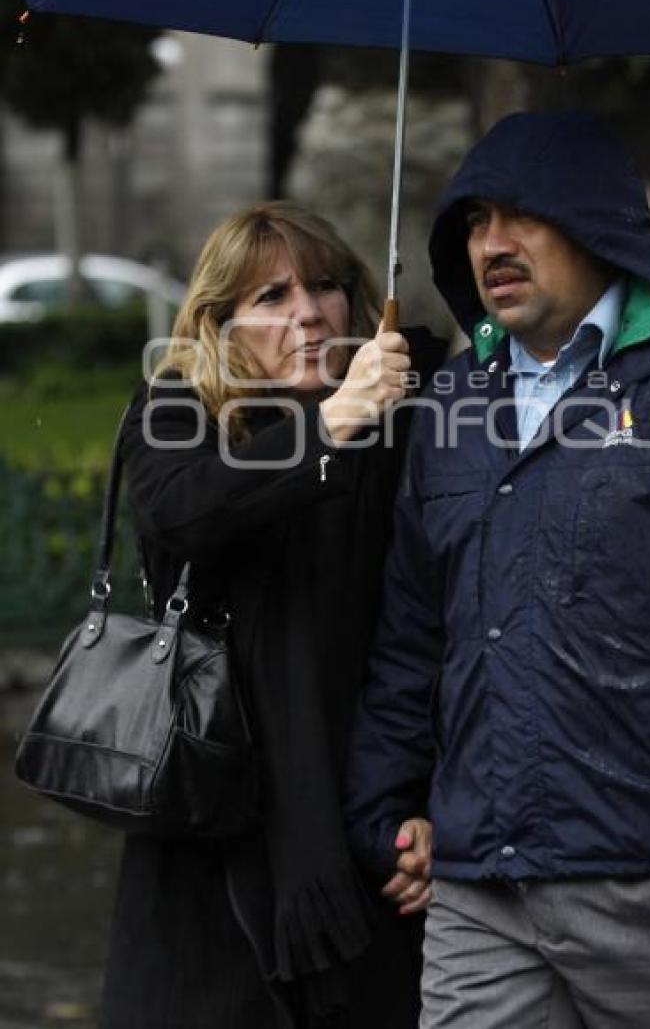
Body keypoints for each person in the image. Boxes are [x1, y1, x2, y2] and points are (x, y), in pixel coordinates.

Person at [345, 111, 650, 1029]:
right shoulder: (450, 402)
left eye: (522, 215)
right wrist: (387, 806)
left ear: (598, 222)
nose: (493, 243)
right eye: (476, 221)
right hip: (479, 884)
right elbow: (413, 631)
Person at [99, 200, 444, 1029]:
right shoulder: (177, 409)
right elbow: (185, 512)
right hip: (211, 830)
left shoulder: (409, 419)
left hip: (367, 824)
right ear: (218, 323)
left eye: (325, 286)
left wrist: (442, 802)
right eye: (271, 296)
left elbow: (449, 622)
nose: (307, 313)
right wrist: (330, 425)